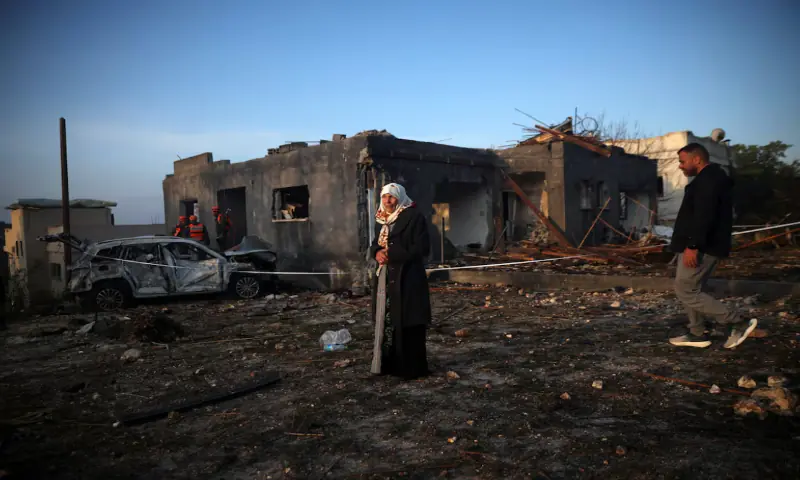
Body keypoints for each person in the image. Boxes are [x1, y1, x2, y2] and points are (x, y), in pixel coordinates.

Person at [669, 143, 757, 349]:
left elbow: (704, 215)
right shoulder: (709, 179)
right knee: (691, 288)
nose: (680, 166)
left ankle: (737, 322)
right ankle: (698, 332)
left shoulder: (708, 181)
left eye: (683, 161)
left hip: (702, 246)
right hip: (699, 243)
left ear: (697, 159)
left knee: (686, 289)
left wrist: (693, 245)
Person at [368, 183, 432, 380]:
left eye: (392, 197)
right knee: (387, 320)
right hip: (386, 278)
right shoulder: (381, 219)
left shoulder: (413, 217)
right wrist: (377, 253)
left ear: (401, 198)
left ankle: (411, 368)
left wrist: (391, 254)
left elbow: (421, 247)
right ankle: (388, 364)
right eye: (385, 197)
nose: (388, 201)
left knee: (409, 321)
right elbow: (375, 244)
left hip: (408, 277)